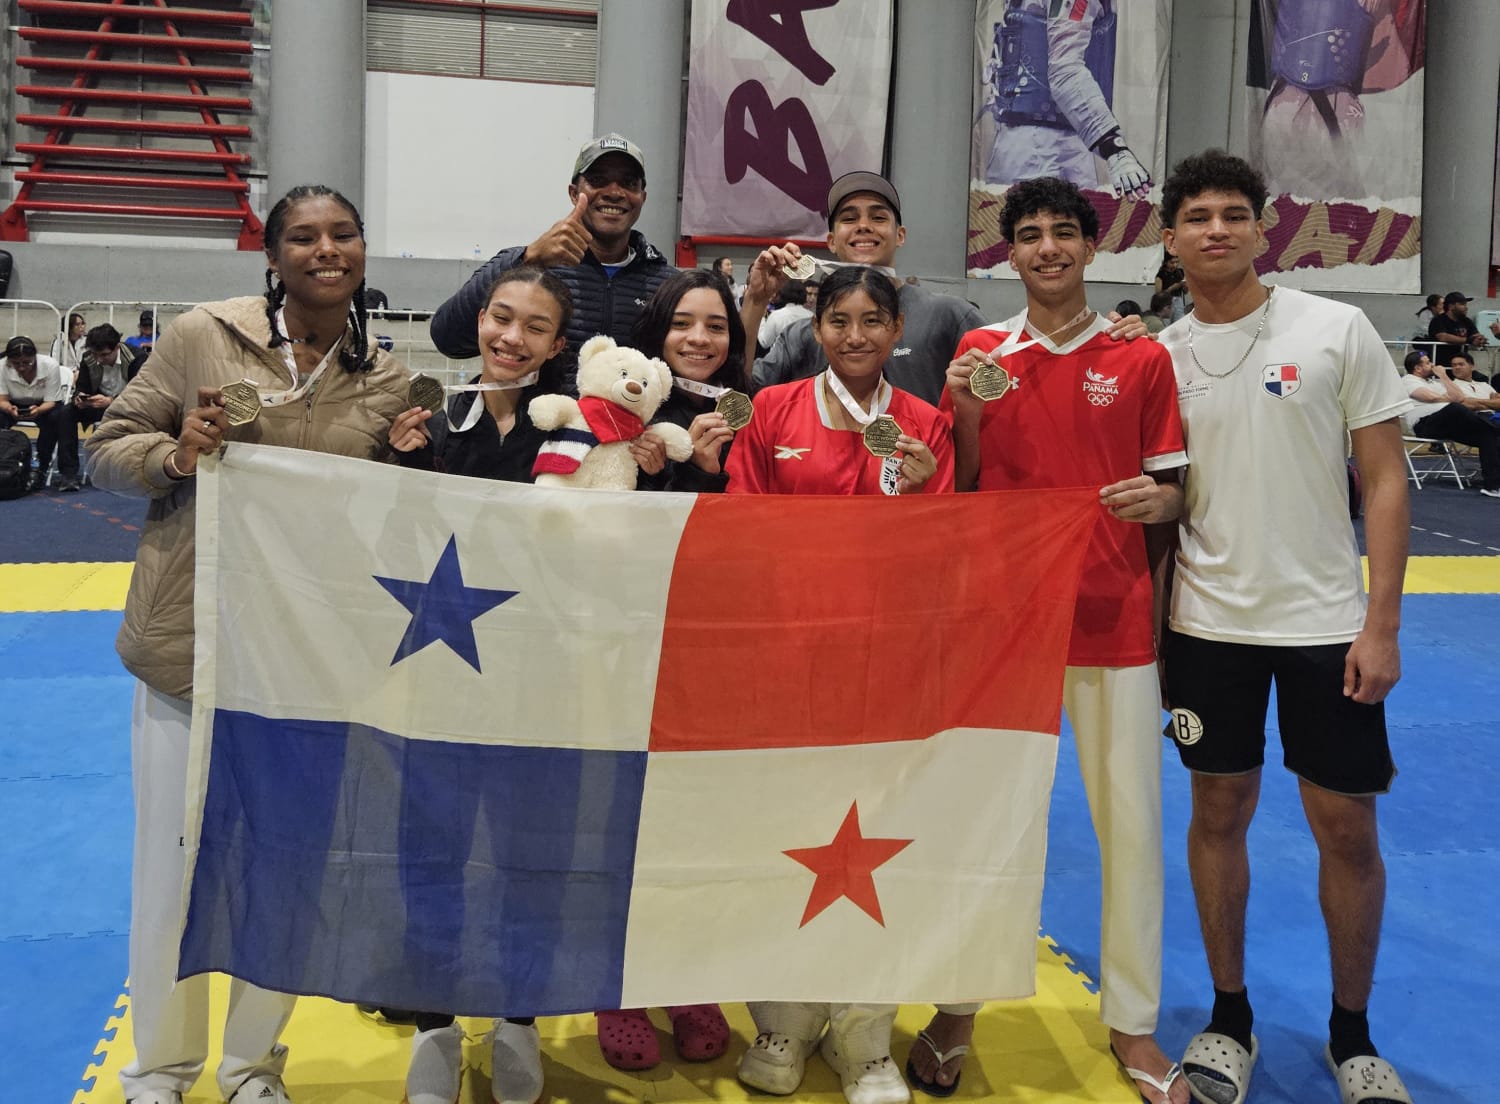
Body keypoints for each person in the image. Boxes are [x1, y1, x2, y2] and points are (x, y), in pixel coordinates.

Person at [87, 184, 410, 1104]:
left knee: (288, 871)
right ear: (271, 257)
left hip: (308, 658)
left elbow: (385, 518)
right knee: (174, 872)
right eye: (302, 237)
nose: (326, 249)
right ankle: (160, 1067)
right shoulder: (202, 336)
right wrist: (178, 453)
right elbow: (109, 447)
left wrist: (412, 463)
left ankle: (253, 1065)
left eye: (343, 233)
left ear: (362, 248)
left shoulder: (385, 378)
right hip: (189, 642)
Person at [1155, 149, 1412, 1104]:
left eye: (1233, 214)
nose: (1215, 230)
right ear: (1171, 238)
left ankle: (1354, 1036)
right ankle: (1229, 1021)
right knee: (1216, 814)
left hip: (1324, 625)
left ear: (1262, 229)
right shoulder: (1161, 355)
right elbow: (1161, 496)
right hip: (1205, 625)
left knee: (1345, 825)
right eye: (1197, 217)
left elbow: (1384, 480)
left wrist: (1381, 623)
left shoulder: (1336, 327)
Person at [939, 177, 1188, 1104]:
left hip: (1112, 618)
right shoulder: (978, 353)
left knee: (1131, 828)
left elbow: (1172, 488)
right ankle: (959, 1006)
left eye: (1063, 234)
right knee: (987, 820)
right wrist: (962, 407)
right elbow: (956, 488)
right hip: (1001, 623)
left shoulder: (1142, 358)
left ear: (1091, 247)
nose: (1046, 249)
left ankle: (1130, 1025)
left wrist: (1156, 501)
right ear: (1010, 252)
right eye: (1029, 235)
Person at [727, 266, 950, 1104]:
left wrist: (928, 492)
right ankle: (781, 1019)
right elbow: (745, 530)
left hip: (888, 664)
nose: (855, 336)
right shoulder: (772, 413)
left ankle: (865, 1036)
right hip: (788, 661)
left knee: (880, 847)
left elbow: (948, 547)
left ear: (897, 331)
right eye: (839, 321)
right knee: (785, 840)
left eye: (873, 321)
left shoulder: (927, 425)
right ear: (815, 329)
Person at [388, 266, 576, 1104]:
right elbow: (382, 541)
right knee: (430, 849)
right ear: (479, 322)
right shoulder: (429, 424)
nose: (512, 338)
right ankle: (433, 1022)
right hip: (434, 677)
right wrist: (388, 466)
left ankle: (516, 1016)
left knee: (529, 856)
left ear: (558, 345)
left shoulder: (576, 432)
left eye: (536, 327)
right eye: (503, 318)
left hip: (542, 680)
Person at [429, 134, 674, 368]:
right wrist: (528, 259)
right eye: (598, 180)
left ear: (642, 197)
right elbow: (448, 339)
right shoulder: (526, 265)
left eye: (629, 183)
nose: (613, 192)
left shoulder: (668, 285)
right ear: (573, 193)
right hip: (539, 413)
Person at [741, 171, 983, 406]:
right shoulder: (802, 335)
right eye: (849, 218)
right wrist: (755, 301)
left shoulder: (948, 317)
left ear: (900, 235)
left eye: (878, 217)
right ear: (832, 241)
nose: (864, 226)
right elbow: (739, 394)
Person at [979, 0, 1154, 200]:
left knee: (1073, 224)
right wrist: (1113, 147)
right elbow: (1065, 72)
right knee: (1032, 223)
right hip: (1038, 147)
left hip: (1057, 142)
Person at [632, 267, 750, 495]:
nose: (699, 339)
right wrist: (696, 473)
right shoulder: (632, 411)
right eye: (680, 324)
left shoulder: (751, 401)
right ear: (658, 329)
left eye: (716, 327)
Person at [1400, 350, 1500, 496]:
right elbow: (1432, 398)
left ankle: (1493, 486)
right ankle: (1496, 428)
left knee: (1487, 435)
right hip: (1425, 423)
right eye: (1428, 362)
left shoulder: (1435, 381)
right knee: (1455, 409)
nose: (1433, 365)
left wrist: (1444, 376)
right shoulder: (1409, 380)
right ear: (1418, 368)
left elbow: (1459, 397)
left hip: (1447, 422)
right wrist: (1448, 397)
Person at [58, 323, 140, 490]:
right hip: (98, 404)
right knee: (65, 413)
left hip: (130, 408)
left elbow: (141, 393)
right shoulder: (89, 357)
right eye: (95, 354)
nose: (99, 359)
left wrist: (112, 401)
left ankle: (127, 469)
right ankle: (68, 474)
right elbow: (82, 387)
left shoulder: (136, 358)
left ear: (117, 347)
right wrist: (80, 398)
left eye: (104, 355)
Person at [0, 335, 67, 492]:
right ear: (9, 361)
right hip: (11, 404)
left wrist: (38, 410)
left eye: (27, 362)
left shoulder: (50, 365)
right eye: (16, 364)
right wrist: (9, 408)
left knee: (56, 418)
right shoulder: (1, 366)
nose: (22, 367)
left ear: (35, 357)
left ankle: (41, 466)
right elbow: (2, 399)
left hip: (44, 404)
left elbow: (52, 401)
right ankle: (3, 462)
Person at [1427, 291, 1487, 368]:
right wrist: (1467, 340)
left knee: (1482, 378)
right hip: (1441, 365)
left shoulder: (1466, 321)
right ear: (1451, 306)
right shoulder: (1439, 320)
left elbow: (1475, 335)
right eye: (1462, 304)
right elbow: (1442, 336)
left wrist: (1480, 339)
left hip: (1460, 365)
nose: (1466, 307)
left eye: (1466, 304)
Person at [756, 278, 812, 354]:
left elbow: (764, 342)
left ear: (783, 294)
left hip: (780, 360)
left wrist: (762, 319)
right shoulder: (812, 316)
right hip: (806, 361)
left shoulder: (776, 315)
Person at [1448, 351, 1500, 416]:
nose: (1457, 367)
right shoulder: (1450, 386)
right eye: (1454, 365)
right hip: (1471, 419)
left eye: (1461, 364)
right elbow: (1465, 405)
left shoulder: (1484, 385)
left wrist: (1474, 401)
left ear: (1472, 366)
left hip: (1493, 418)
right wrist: (1492, 403)